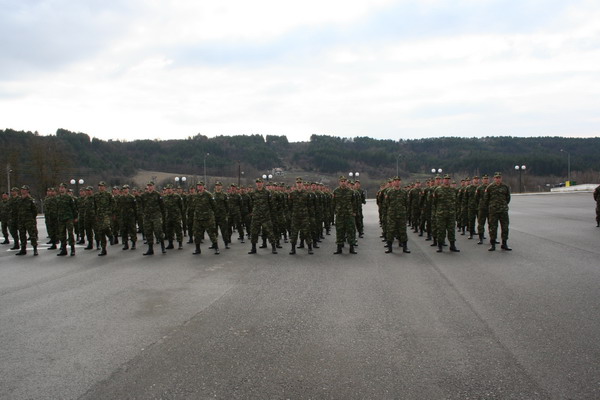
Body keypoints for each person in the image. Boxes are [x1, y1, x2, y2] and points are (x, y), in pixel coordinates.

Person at [248, 178, 277, 254]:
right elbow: (250, 204)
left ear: (262, 183)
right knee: (254, 232)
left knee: (270, 232)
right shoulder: (253, 193)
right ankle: (253, 248)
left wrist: (272, 215)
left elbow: (272, 205)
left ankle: (274, 247)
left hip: (265, 216)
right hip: (256, 216)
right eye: (257, 182)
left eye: (260, 182)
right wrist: (252, 212)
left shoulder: (267, 192)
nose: (258, 184)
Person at [484, 172, 511, 251]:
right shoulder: (490, 187)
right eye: (496, 178)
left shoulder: (505, 187)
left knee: (505, 227)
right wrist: (492, 206)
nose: (498, 179)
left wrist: (503, 205)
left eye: (499, 178)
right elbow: (486, 199)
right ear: (494, 178)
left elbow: (508, 198)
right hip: (493, 211)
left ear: (501, 178)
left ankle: (504, 243)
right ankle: (492, 244)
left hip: (503, 210)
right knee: (493, 227)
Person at [433, 175, 460, 253]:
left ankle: (452, 245)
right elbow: (434, 202)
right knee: (441, 230)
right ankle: (440, 246)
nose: (447, 181)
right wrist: (438, 211)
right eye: (445, 179)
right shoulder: (438, 190)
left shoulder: (453, 190)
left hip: (451, 214)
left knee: (451, 230)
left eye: (448, 179)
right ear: (443, 180)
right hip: (441, 214)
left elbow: (456, 201)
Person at [191, 181, 219, 255]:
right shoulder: (196, 195)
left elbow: (214, 206)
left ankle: (216, 248)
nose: (199, 187)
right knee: (196, 234)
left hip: (207, 218)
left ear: (203, 186)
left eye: (200, 185)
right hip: (198, 218)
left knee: (211, 233)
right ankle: (197, 249)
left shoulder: (208, 195)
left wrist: (213, 215)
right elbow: (193, 206)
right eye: (198, 186)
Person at [384, 176, 411, 253]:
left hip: (402, 215)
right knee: (390, 231)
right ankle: (389, 248)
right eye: (395, 181)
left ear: (400, 182)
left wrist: (405, 213)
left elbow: (407, 203)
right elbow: (387, 204)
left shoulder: (404, 192)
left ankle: (405, 247)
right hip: (392, 215)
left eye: (398, 181)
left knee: (403, 231)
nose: (397, 182)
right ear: (393, 182)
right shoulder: (389, 192)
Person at [332, 175, 357, 254]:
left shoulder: (351, 191)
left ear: (346, 182)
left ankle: (351, 248)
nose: (343, 183)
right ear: (339, 182)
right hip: (340, 214)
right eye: (341, 181)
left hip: (349, 214)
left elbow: (354, 202)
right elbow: (333, 203)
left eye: (344, 181)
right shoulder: (335, 191)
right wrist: (334, 211)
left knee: (351, 231)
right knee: (339, 231)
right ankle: (339, 248)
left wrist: (354, 212)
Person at [140, 181, 166, 255]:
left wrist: (162, 216)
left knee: (158, 231)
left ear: (153, 186)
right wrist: (143, 214)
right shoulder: (144, 195)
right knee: (148, 232)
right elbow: (142, 205)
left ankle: (162, 246)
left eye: (151, 186)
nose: (149, 187)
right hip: (147, 216)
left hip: (156, 216)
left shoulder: (157, 195)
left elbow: (162, 206)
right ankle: (150, 249)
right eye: (148, 186)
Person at [288, 177, 313, 255]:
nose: (299, 184)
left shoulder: (307, 194)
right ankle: (292, 248)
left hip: (304, 216)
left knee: (307, 232)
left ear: (302, 184)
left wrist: (311, 216)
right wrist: (290, 215)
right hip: (295, 216)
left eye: (300, 183)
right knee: (294, 233)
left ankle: (310, 248)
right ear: (296, 184)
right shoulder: (292, 194)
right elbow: (289, 205)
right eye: (297, 183)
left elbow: (310, 206)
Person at [16, 185, 38, 256]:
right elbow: (17, 210)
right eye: (22, 189)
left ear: (27, 191)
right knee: (22, 235)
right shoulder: (19, 200)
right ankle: (23, 249)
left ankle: (35, 249)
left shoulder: (30, 200)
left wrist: (31, 218)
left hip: (29, 220)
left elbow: (35, 211)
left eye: (24, 189)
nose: (23, 191)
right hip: (21, 220)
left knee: (32, 235)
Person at [93, 181, 115, 256]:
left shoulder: (108, 195)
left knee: (105, 226)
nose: (100, 187)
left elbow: (113, 204)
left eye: (102, 186)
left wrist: (110, 212)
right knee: (101, 232)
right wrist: (95, 215)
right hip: (99, 215)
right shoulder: (96, 195)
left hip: (106, 214)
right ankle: (103, 249)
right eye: (99, 186)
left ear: (105, 187)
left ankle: (110, 235)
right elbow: (94, 206)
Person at [56, 183, 77, 256]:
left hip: (68, 218)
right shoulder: (57, 198)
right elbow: (56, 208)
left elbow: (73, 208)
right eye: (60, 187)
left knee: (70, 234)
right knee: (62, 234)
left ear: (65, 189)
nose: (61, 189)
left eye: (63, 188)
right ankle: (64, 249)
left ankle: (72, 249)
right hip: (61, 218)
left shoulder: (69, 197)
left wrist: (75, 217)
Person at [118, 184, 138, 250]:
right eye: (124, 189)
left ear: (128, 189)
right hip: (123, 216)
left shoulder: (132, 197)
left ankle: (133, 243)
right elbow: (119, 207)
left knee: (132, 230)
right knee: (124, 230)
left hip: (131, 217)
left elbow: (135, 207)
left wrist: (135, 216)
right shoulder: (121, 198)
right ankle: (126, 244)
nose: (125, 190)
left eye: (126, 188)